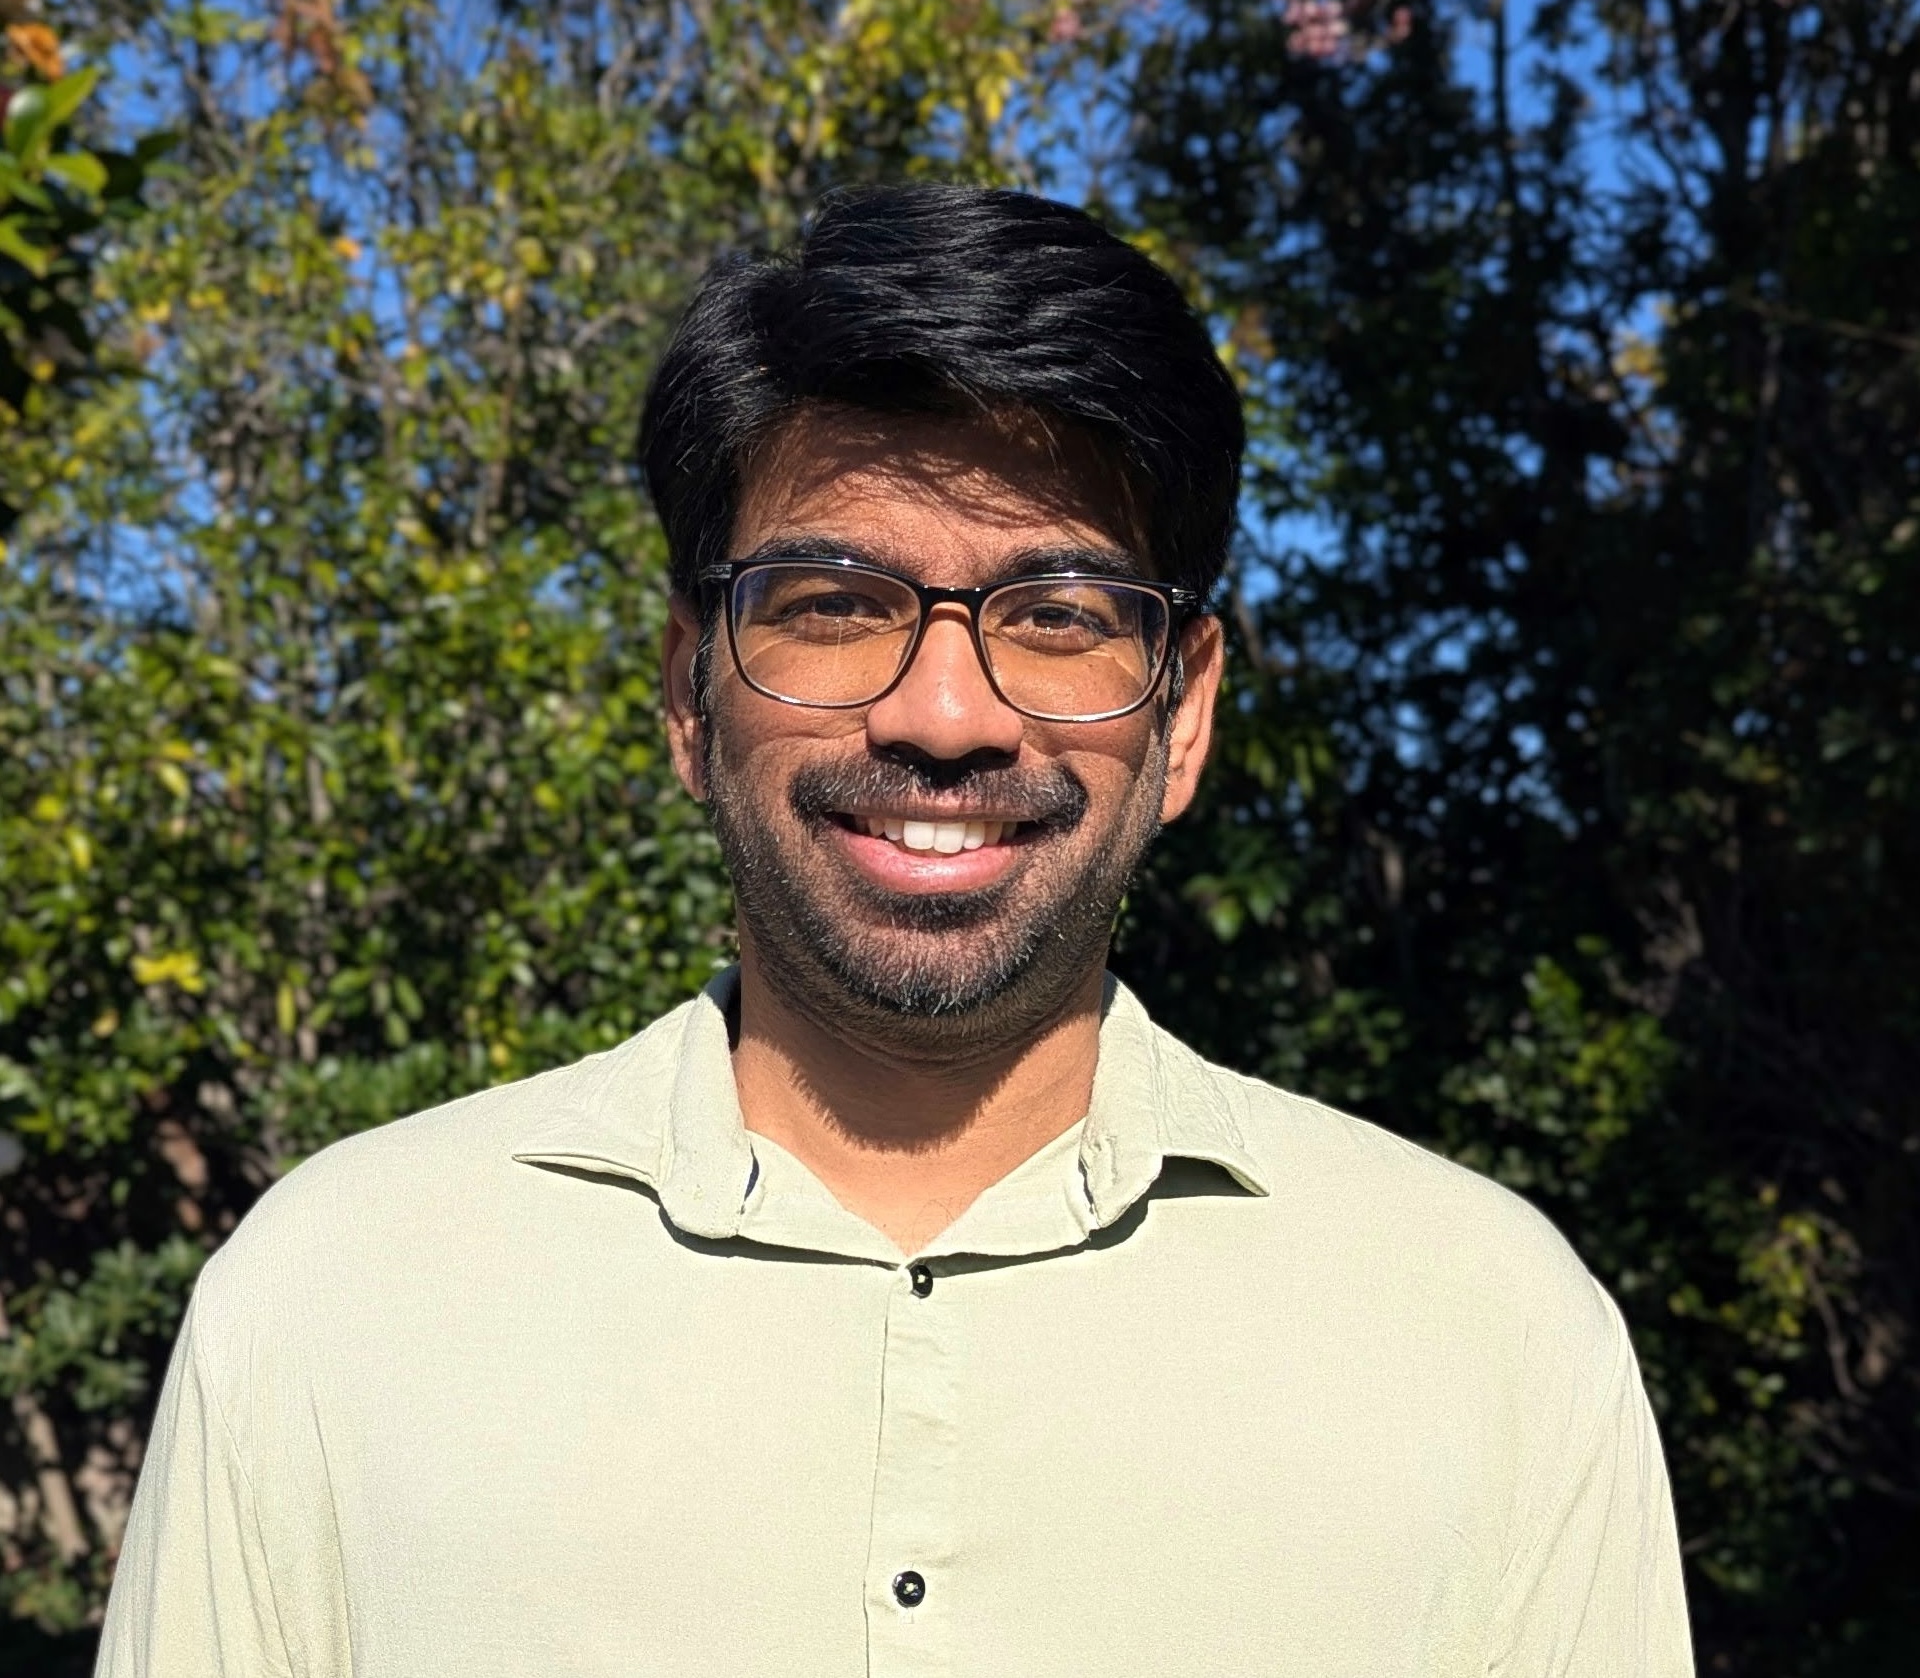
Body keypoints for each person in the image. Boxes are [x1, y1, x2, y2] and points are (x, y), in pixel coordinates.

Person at [97, 184, 1693, 1677]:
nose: (944, 714)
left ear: (1187, 711)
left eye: (1058, 615)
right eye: (835, 602)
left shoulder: (1488, 1335)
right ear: (687, 690)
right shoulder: (333, 1304)